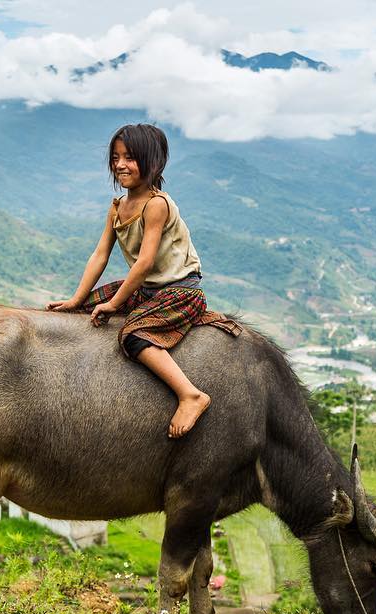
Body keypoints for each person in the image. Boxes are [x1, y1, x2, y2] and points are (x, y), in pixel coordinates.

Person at [47, 124, 240, 439]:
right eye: (116, 157)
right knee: (82, 311)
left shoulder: (157, 205)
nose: (120, 165)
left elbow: (145, 262)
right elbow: (99, 255)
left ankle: (190, 394)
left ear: (153, 162)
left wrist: (115, 303)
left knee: (134, 335)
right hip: (148, 288)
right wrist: (77, 299)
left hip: (179, 291)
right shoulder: (117, 207)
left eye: (130, 158)